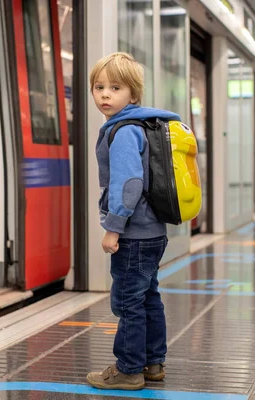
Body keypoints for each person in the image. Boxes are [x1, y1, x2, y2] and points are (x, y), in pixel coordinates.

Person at [86, 52, 181, 390]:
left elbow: (128, 185)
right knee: (148, 297)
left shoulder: (124, 131)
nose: (105, 95)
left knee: (128, 302)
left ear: (134, 94)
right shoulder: (143, 125)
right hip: (153, 231)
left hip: (134, 233)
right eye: (99, 87)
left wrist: (113, 228)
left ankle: (128, 370)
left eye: (115, 87)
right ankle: (153, 364)